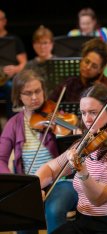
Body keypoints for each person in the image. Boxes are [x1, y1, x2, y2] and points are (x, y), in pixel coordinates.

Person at [36, 84, 107, 233]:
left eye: (93, 113)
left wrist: (82, 172)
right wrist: (33, 189)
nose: (87, 119)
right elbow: (51, 169)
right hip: (85, 222)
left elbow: (99, 199)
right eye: (83, 113)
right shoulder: (85, 143)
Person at [0, 69, 76, 234]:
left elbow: (73, 152)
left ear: (44, 91)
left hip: (60, 181)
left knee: (54, 210)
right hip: (29, 185)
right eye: (27, 93)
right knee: (21, 215)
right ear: (18, 96)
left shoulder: (56, 116)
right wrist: (15, 185)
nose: (34, 97)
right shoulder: (14, 124)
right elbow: (1, 159)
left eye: (37, 91)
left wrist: (70, 135)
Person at [0, 9, 27, 118]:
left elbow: (23, 63)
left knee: (11, 86)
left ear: (4, 21)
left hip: (8, 79)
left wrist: (15, 69)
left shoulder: (14, 39)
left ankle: (12, 122)